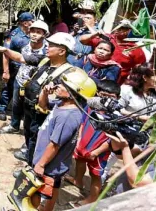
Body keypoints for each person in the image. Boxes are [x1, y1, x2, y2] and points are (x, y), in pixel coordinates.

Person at [10, 69, 96, 211]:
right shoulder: (62, 104)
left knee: (37, 190)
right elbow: (42, 106)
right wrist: (44, 92)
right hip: (49, 160)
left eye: (63, 85)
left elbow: (55, 144)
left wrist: (41, 164)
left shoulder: (67, 116)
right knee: (52, 188)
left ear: (72, 93)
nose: (57, 86)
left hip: (50, 163)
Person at [0, 32, 78, 165]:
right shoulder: (44, 60)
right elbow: (21, 58)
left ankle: (32, 166)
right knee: (28, 133)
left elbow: (62, 99)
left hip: (42, 113)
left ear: (62, 51)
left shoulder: (67, 73)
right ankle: (29, 156)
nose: (47, 47)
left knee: (36, 139)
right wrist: (6, 50)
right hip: (29, 105)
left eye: (52, 46)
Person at [67, 80, 120, 206]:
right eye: (103, 95)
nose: (106, 100)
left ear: (118, 98)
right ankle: (78, 180)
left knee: (95, 174)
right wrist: (79, 139)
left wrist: (96, 152)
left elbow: (111, 140)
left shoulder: (117, 116)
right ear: (97, 94)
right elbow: (82, 122)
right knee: (79, 161)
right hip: (83, 144)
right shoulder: (90, 106)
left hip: (99, 151)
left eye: (111, 97)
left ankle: (93, 198)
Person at [0, 20, 49, 134]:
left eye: (38, 32)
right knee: (16, 106)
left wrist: (6, 51)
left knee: (30, 112)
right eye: (32, 31)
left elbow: (22, 58)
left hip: (34, 86)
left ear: (44, 34)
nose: (34, 34)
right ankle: (14, 125)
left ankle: (28, 139)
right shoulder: (26, 44)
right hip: (20, 79)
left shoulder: (47, 51)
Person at [79, 19, 147, 84]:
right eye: (117, 26)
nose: (117, 29)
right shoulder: (105, 38)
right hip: (89, 76)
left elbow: (140, 69)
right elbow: (83, 41)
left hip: (113, 84)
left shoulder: (135, 49)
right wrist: (94, 34)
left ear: (128, 31)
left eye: (121, 28)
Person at [0, 12, 34, 121]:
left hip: (27, 68)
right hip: (15, 67)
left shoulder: (32, 34)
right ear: (25, 23)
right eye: (31, 21)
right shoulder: (13, 36)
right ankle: (2, 109)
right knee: (8, 89)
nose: (33, 23)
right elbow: (5, 53)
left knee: (23, 91)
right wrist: (6, 71)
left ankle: (17, 112)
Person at [68, 1, 99, 67]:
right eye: (82, 11)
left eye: (88, 13)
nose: (84, 15)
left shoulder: (97, 30)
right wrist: (74, 32)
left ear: (95, 19)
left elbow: (96, 36)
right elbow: (64, 39)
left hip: (83, 61)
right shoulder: (79, 29)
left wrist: (87, 25)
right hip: (70, 57)